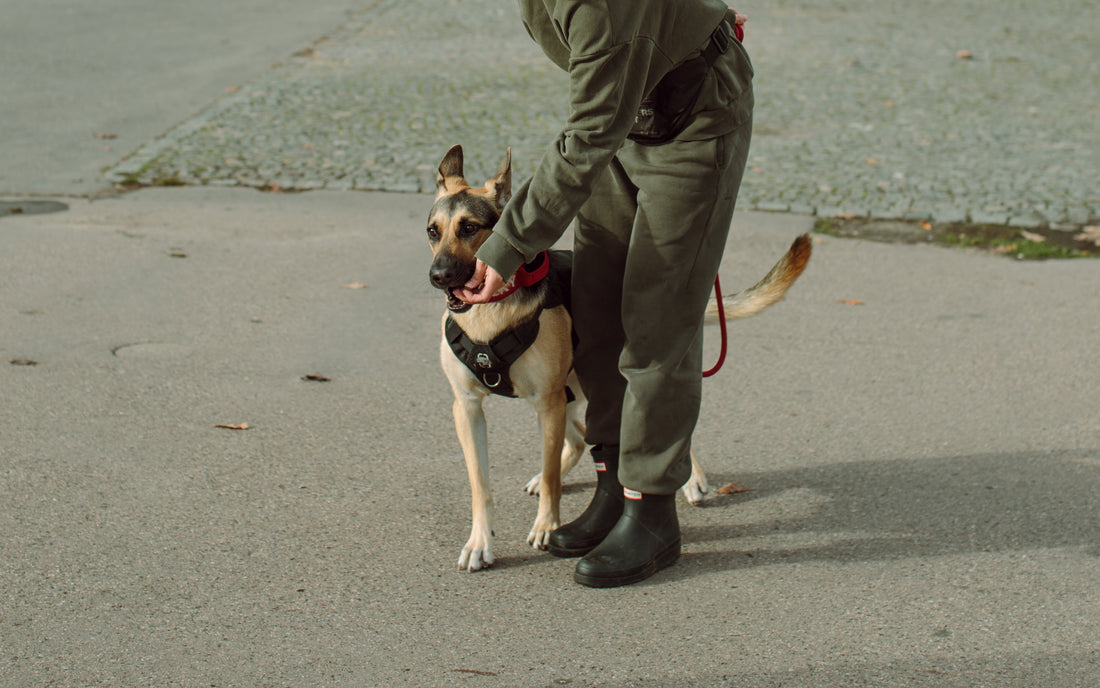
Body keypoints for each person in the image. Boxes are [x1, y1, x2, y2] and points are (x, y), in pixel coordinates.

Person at [454, 1, 754, 587]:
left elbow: (589, 130)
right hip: (622, 112)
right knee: (596, 306)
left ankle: (652, 513)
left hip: (693, 120)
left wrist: (506, 244)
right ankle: (614, 483)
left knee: (654, 321)